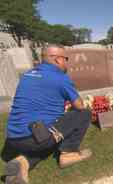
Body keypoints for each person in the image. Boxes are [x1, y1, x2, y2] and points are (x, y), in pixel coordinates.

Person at [2, 45, 92, 184]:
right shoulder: (60, 77)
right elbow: (78, 105)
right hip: (36, 136)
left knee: (48, 142)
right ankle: (68, 154)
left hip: (13, 138)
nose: (66, 62)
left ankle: (22, 162)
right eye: (65, 59)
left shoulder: (27, 75)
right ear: (57, 60)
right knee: (83, 113)